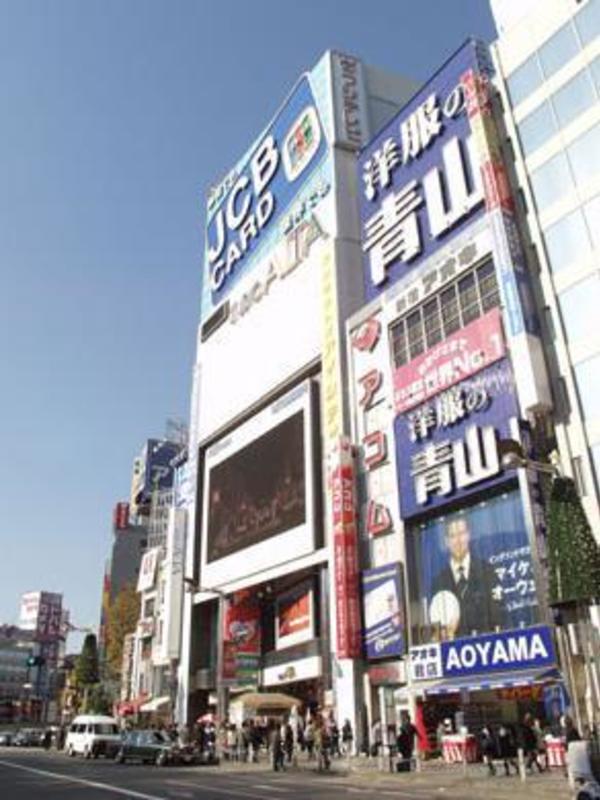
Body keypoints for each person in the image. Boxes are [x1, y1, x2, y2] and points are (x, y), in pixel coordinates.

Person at [431, 516, 506, 639]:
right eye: (452, 536)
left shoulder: (487, 571)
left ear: (469, 535)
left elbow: (500, 617)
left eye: (461, 533)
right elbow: (437, 629)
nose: (458, 541)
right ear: (446, 541)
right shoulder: (438, 583)